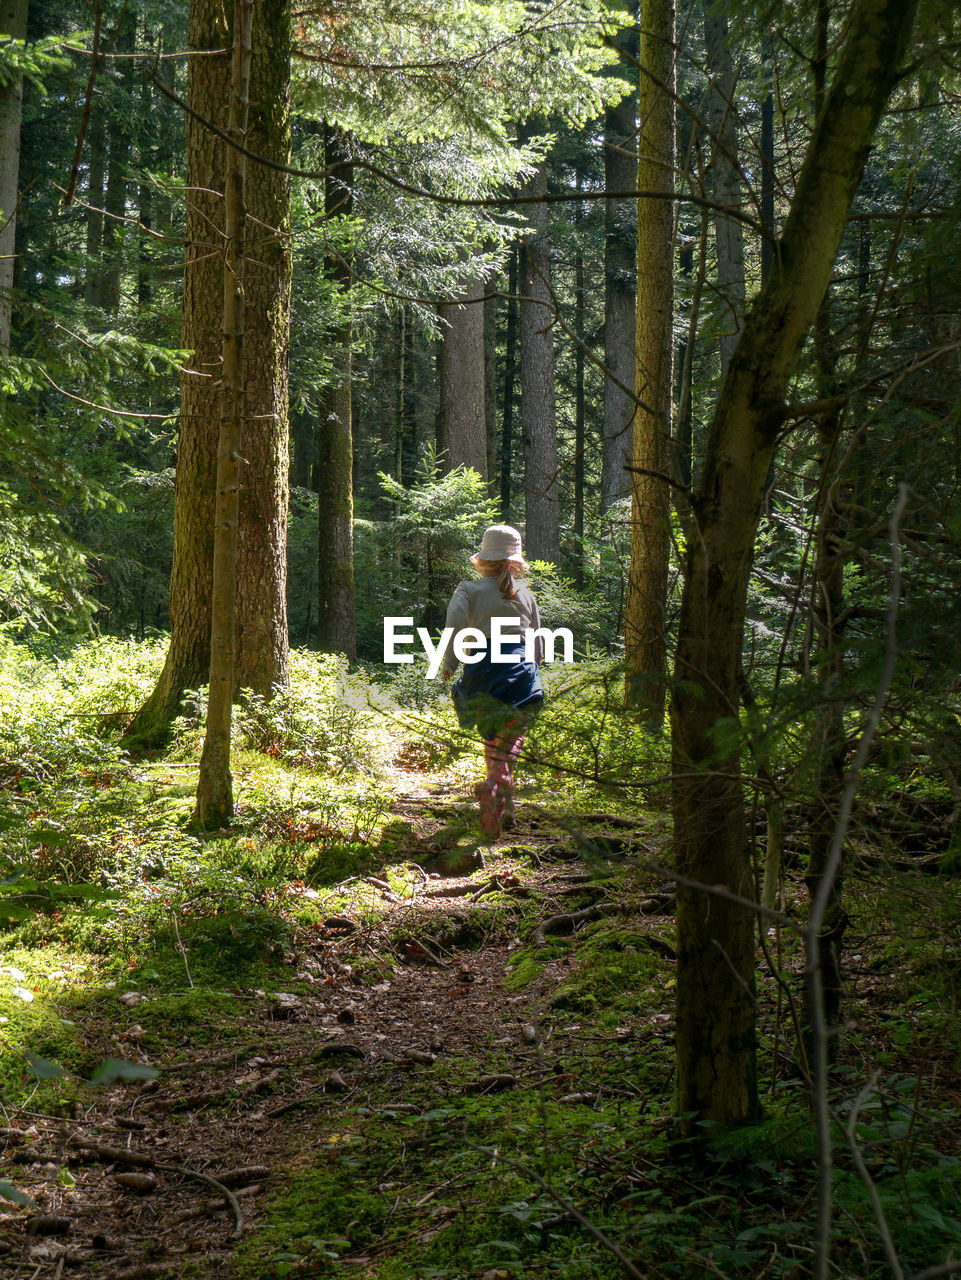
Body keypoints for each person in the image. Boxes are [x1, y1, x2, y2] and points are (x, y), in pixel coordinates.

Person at [441, 525, 544, 840]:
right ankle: (502, 795)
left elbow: (456, 627)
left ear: (483, 560)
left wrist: (449, 662)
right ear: (513, 562)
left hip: (483, 673)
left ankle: (498, 792)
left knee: (493, 738)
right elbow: (537, 642)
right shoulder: (525, 594)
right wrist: (532, 669)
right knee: (510, 737)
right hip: (520, 673)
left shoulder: (468, 591)